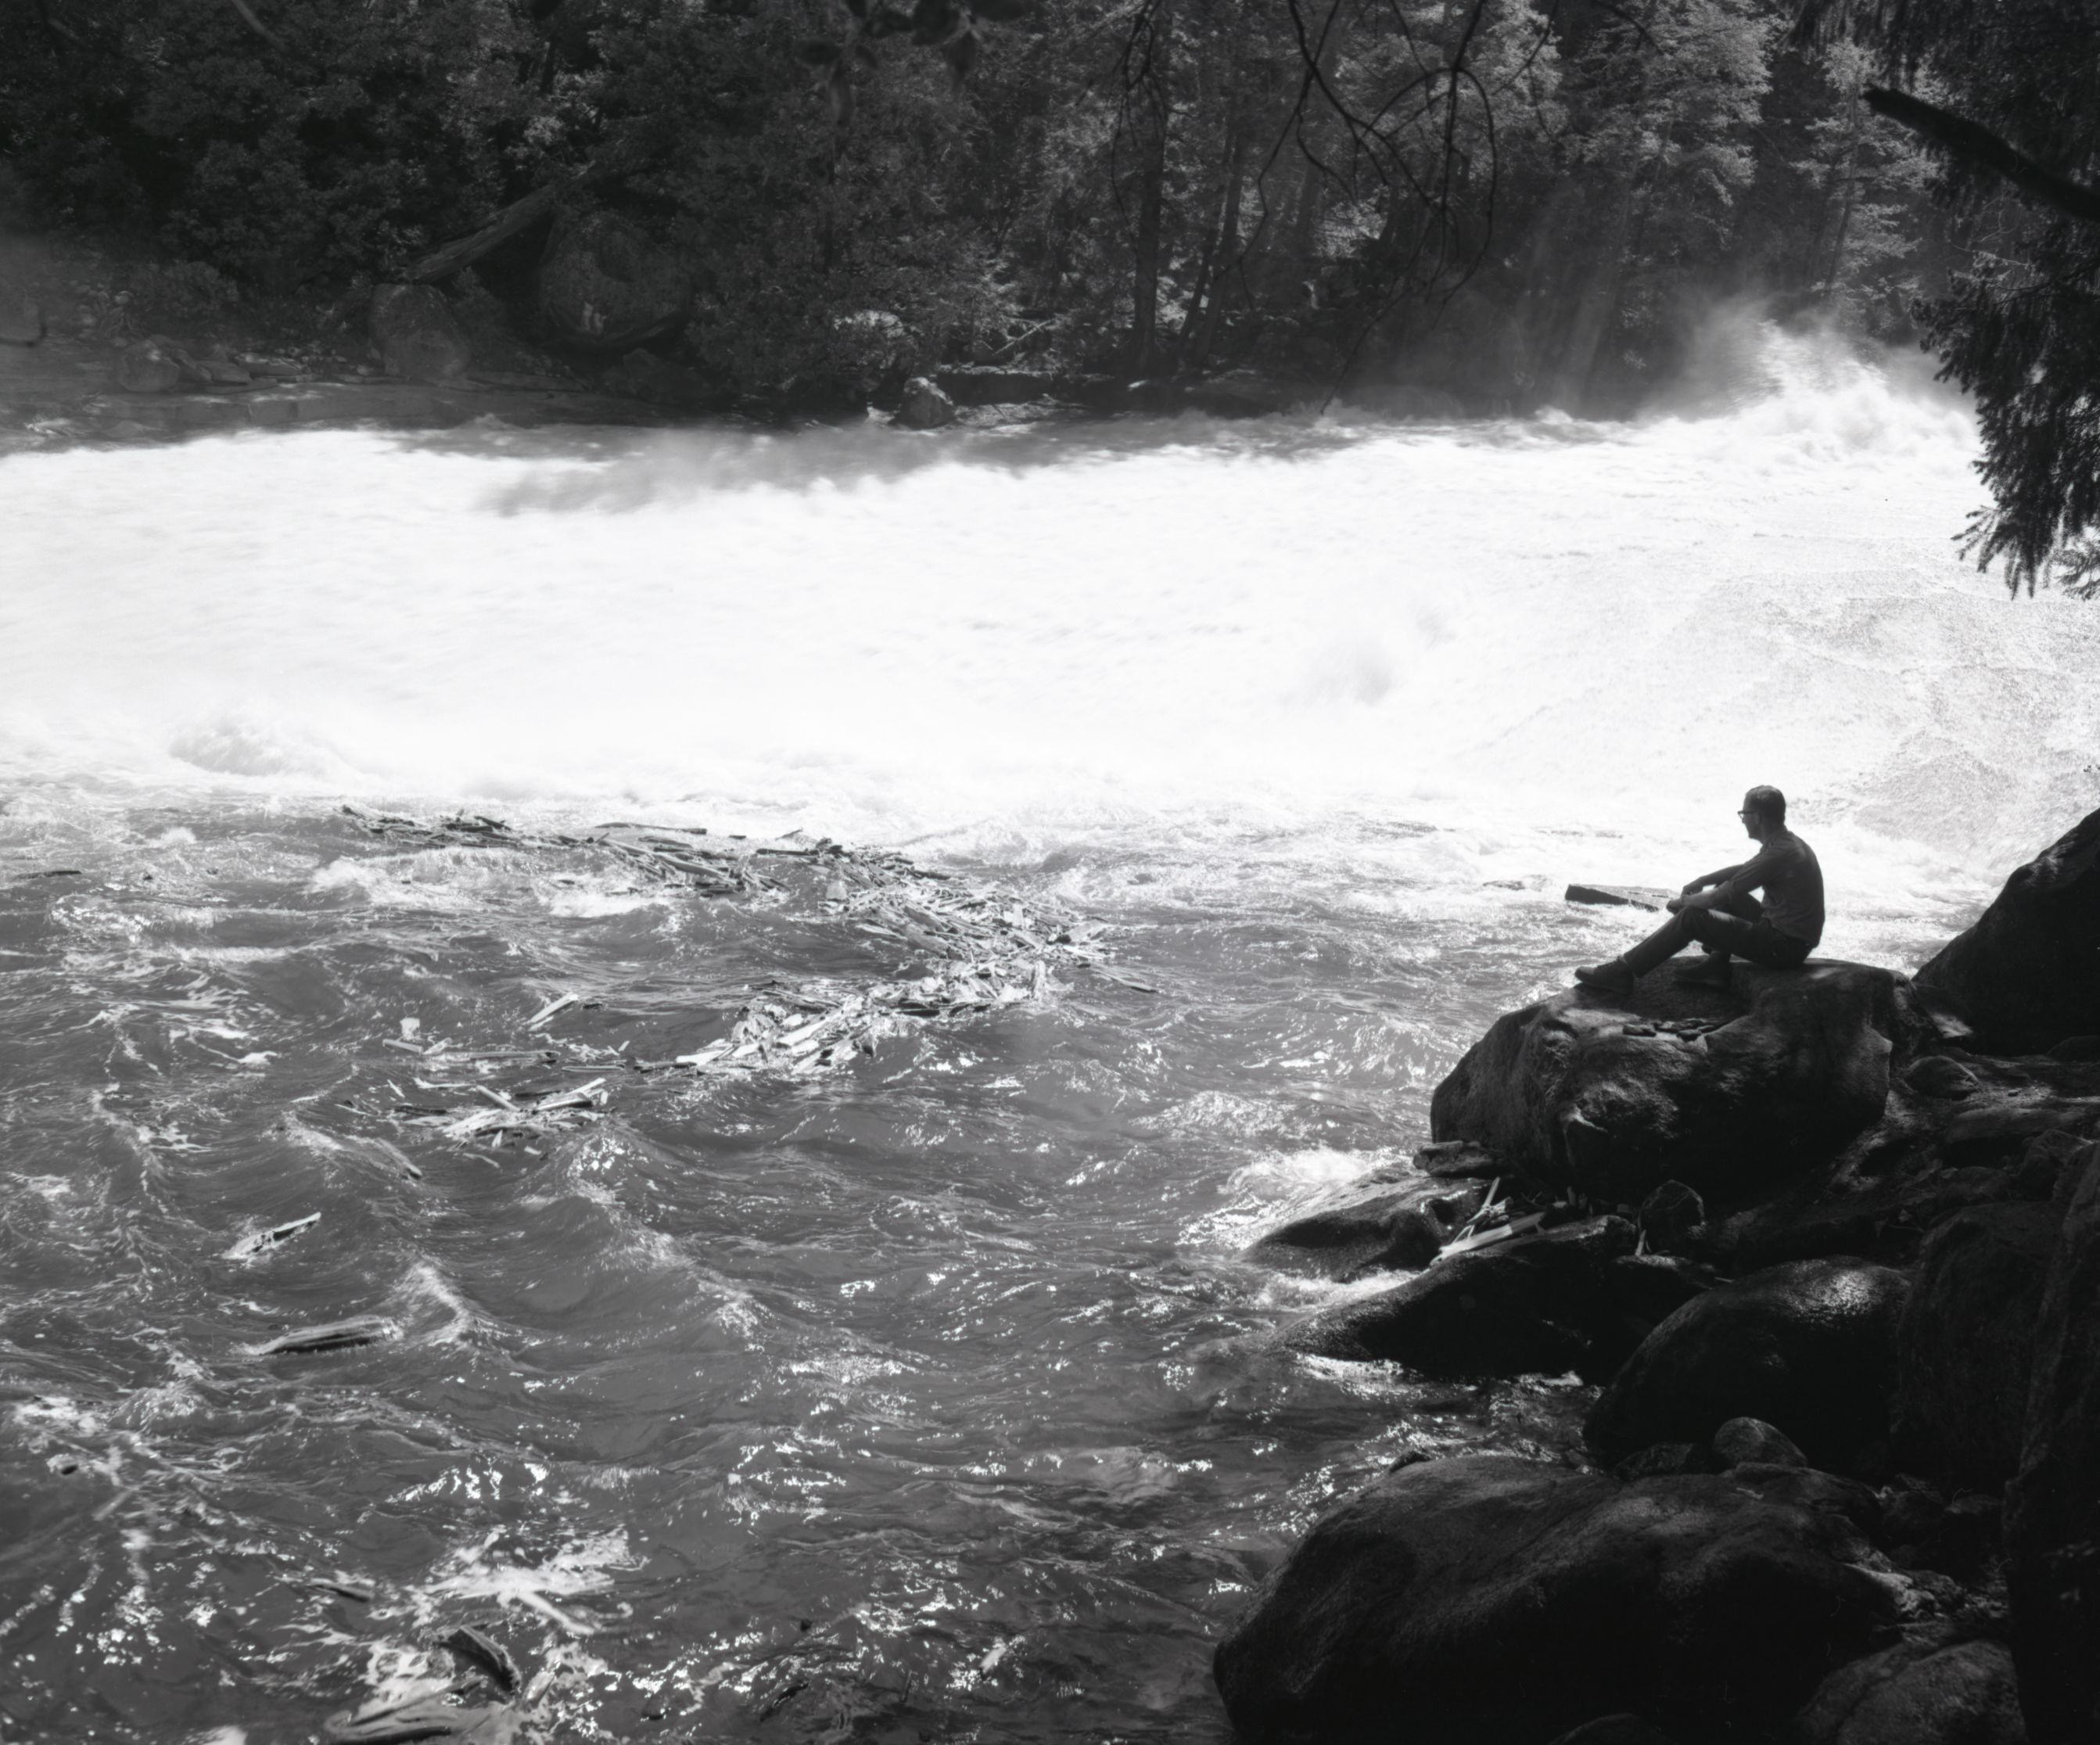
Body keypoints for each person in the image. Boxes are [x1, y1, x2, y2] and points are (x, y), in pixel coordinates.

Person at [1574, 786, 1823, 993]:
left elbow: (1716, 898)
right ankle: (1716, 966)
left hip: (1783, 947)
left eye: (1743, 813)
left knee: (1692, 917)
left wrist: (1683, 903)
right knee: (1720, 896)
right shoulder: (1785, 844)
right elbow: (1745, 869)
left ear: (1757, 817)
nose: (1742, 819)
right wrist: (1702, 879)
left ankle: (1622, 971)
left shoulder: (1779, 853)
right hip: (1788, 938)